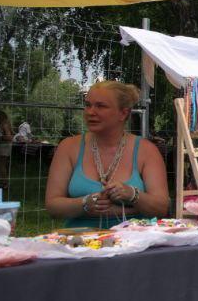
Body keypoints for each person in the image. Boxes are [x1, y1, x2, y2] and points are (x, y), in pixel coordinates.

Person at [45, 81, 170, 229]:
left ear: (123, 113)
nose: (90, 112)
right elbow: (52, 206)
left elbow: (161, 208)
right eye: (88, 105)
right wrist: (84, 204)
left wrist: (133, 195)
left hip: (134, 238)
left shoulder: (147, 151)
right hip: (81, 239)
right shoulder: (68, 147)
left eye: (100, 106)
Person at [0, 110, 12, 197]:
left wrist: (0, 137)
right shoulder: (4, 124)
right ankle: (0, 182)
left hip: (4, 147)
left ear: (0, 117)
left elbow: (9, 137)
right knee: (0, 165)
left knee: (2, 166)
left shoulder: (5, 124)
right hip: (3, 146)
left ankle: (5, 184)